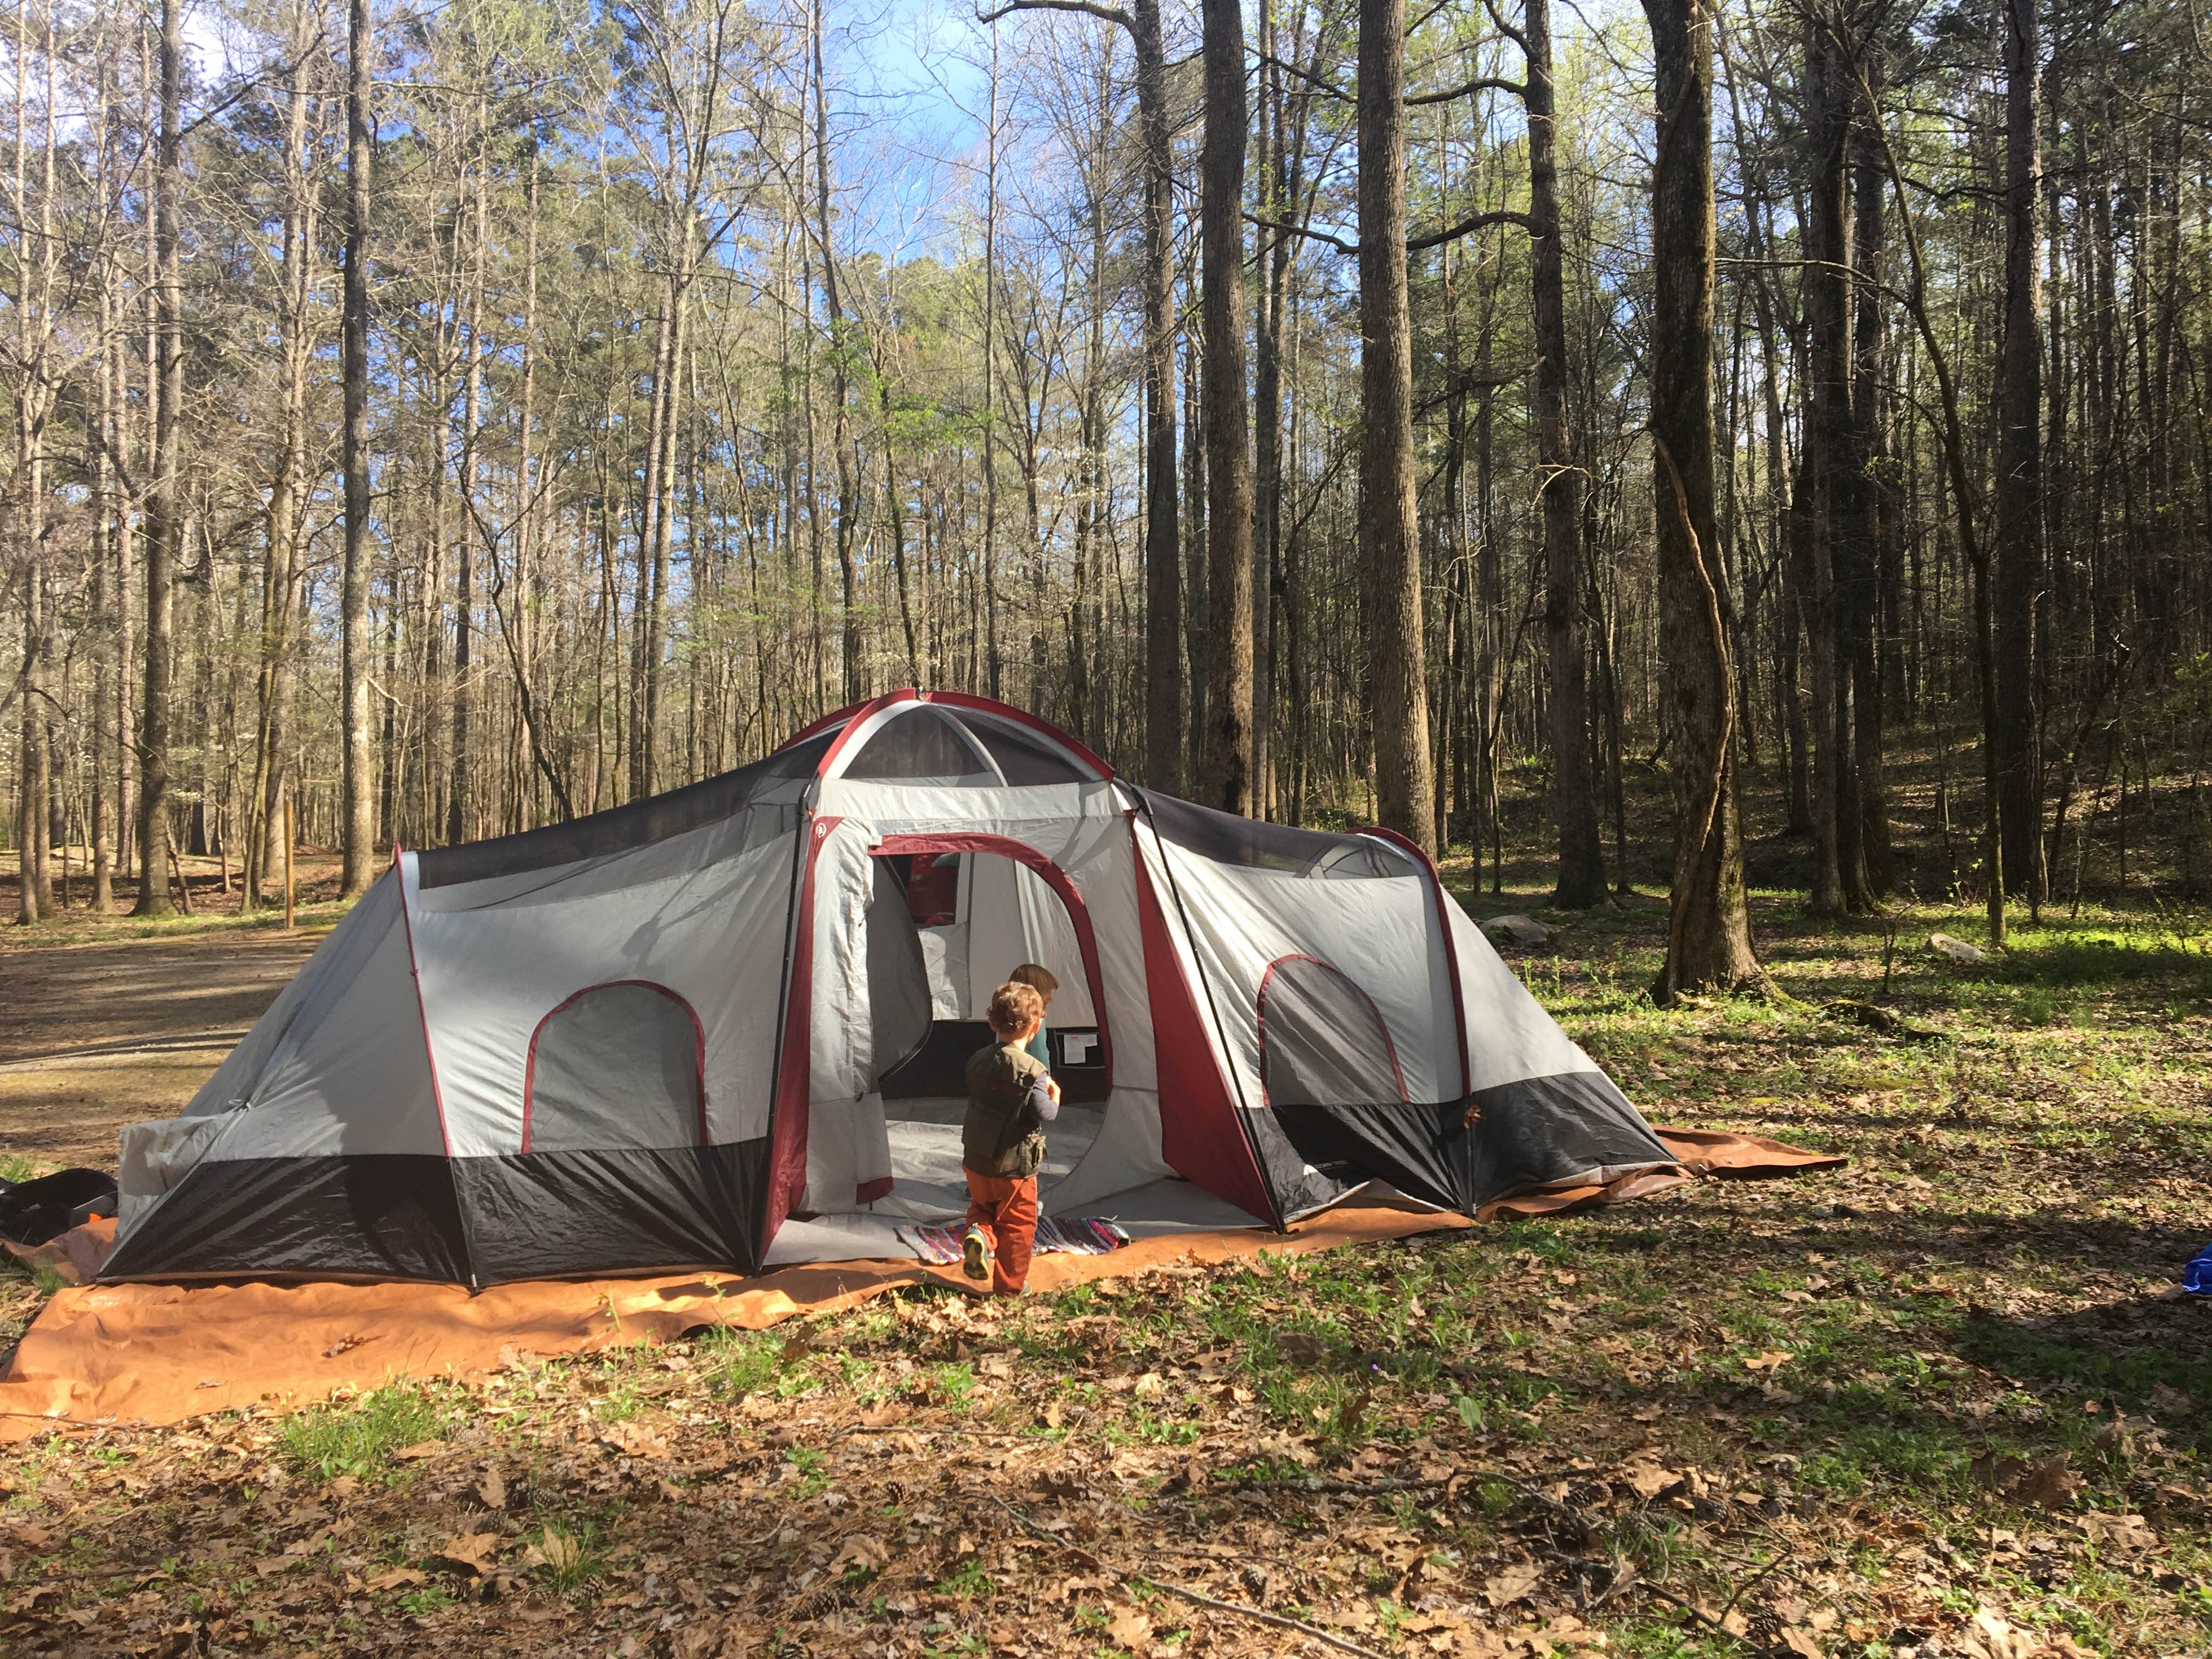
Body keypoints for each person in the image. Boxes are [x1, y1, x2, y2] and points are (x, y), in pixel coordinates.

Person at [961, 980, 1062, 1294]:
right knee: (1019, 1224)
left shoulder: (977, 1059)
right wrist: (1055, 1096)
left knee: (984, 1206)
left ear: (992, 1022)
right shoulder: (1033, 1071)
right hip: (1014, 1167)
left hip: (976, 1159)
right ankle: (1009, 1289)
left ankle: (980, 1236)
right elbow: (1045, 1113)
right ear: (1036, 1026)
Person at [1007, 962, 1059, 1067]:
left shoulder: (1005, 1015)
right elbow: (1040, 1054)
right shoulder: (1035, 1017)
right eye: (1048, 991)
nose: (1050, 998)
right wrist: (1045, 1078)